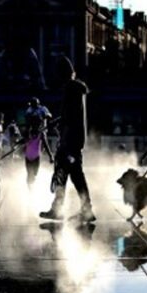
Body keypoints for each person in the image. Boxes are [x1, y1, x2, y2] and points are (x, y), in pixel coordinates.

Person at [40, 57, 95, 222]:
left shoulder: (70, 89)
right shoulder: (76, 88)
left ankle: (67, 209)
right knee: (70, 175)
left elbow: (70, 118)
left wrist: (63, 140)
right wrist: (59, 120)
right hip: (75, 140)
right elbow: (72, 115)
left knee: (65, 174)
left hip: (70, 141)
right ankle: (83, 209)